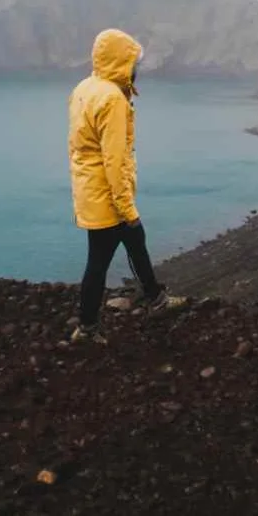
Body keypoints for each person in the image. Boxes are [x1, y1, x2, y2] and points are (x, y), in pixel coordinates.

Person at [67, 28, 187, 344]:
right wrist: (126, 207)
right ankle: (88, 328)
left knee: (135, 241)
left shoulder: (85, 87)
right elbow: (115, 161)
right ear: (120, 61)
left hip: (90, 190)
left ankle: (154, 297)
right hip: (108, 196)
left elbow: (78, 147)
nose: (137, 68)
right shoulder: (112, 99)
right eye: (133, 61)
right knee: (101, 260)